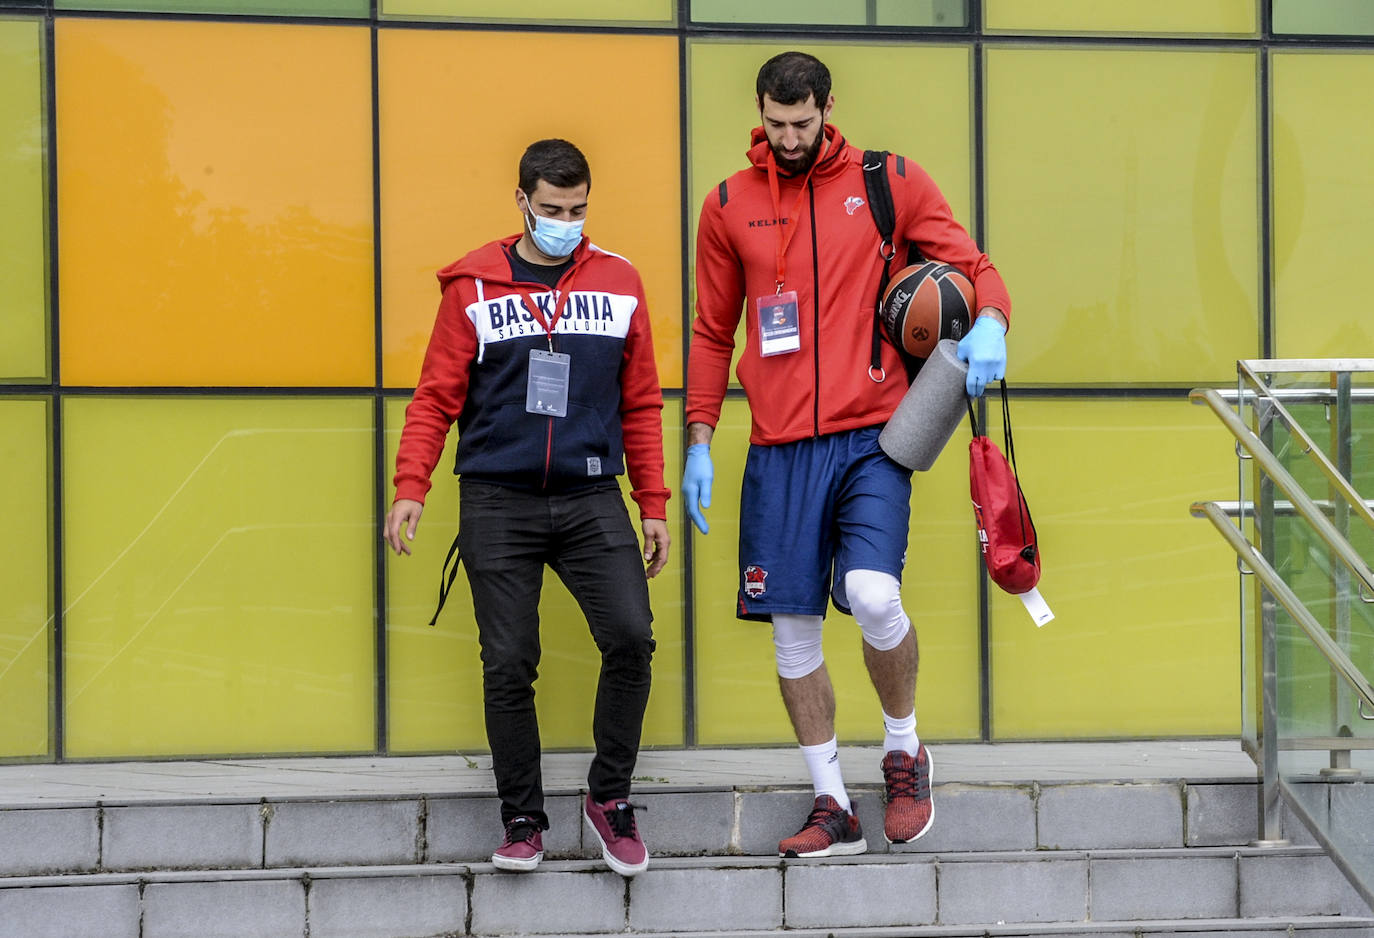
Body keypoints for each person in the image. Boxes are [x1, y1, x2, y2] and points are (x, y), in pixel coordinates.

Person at [682, 52, 1011, 858]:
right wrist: (698, 438)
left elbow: (973, 265)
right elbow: (710, 330)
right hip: (778, 449)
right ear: (760, 111)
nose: (789, 137)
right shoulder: (726, 205)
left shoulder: (889, 181)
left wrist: (993, 318)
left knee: (869, 593)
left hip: (874, 438)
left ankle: (904, 747)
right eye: (775, 122)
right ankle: (834, 805)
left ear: (829, 105)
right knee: (792, 633)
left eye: (803, 121)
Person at [384, 138, 670, 878]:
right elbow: (434, 399)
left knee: (632, 638)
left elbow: (639, 402)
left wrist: (653, 503)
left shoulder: (620, 282)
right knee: (510, 661)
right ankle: (522, 817)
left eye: (577, 210)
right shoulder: (472, 288)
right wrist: (411, 486)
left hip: (589, 496)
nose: (565, 222)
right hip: (497, 498)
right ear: (521, 201)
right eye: (550, 209)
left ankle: (609, 799)